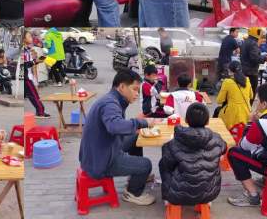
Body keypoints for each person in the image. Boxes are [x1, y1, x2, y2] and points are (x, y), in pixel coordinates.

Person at [79, 69, 158, 206]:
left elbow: (117, 126)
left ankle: (136, 172)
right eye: (134, 89)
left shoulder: (112, 99)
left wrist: (135, 126)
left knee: (135, 137)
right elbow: (115, 126)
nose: (137, 94)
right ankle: (132, 193)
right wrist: (143, 122)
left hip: (99, 151)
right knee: (146, 164)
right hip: (101, 162)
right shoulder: (110, 104)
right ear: (121, 86)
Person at [226, 83, 267, 207]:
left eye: (257, 100)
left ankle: (253, 196)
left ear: (264, 104)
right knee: (264, 148)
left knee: (234, 153)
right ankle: (265, 181)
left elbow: (243, 146)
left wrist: (250, 122)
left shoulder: (262, 124)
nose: (256, 103)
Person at [159, 103, 226, 206]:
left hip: (178, 195)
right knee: (214, 160)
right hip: (210, 194)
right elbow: (223, 150)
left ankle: (167, 197)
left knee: (164, 163)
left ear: (186, 120)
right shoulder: (217, 139)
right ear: (208, 121)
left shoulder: (174, 142)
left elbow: (168, 165)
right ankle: (205, 198)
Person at [241, 27, 267, 100]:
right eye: (260, 33)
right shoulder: (253, 43)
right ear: (256, 33)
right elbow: (255, 58)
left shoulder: (246, 41)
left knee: (246, 93)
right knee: (251, 94)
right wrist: (266, 58)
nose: (261, 35)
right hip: (251, 72)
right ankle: (248, 109)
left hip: (245, 71)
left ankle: (246, 109)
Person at [217, 61, 252, 130]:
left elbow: (219, 100)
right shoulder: (247, 80)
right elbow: (251, 96)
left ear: (229, 70)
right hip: (246, 112)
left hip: (232, 114)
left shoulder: (227, 82)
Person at [22, 31, 49, 118]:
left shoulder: (28, 49)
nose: (31, 38)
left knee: (34, 94)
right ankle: (40, 112)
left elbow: (30, 63)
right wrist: (35, 61)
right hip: (26, 77)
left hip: (29, 76)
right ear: (24, 39)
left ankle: (40, 111)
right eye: (29, 36)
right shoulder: (23, 51)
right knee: (33, 95)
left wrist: (37, 61)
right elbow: (25, 64)